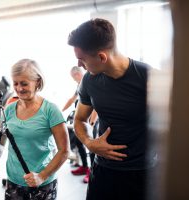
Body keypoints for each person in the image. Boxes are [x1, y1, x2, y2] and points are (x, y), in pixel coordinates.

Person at [67, 18, 157, 200]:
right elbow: (79, 120)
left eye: (82, 59)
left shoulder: (148, 77)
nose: (78, 65)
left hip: (143, 173)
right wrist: (89, 142)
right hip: (103, 171)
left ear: (102, 57)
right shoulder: (89, 81)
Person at [0, 58, 70, 200]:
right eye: (15, 83)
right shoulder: (10, 109)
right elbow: (0, 141)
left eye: (24, 83)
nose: (19, 88)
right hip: (14, 180)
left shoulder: (51, 110)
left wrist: (42, 176)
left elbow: (64, 151)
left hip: (42, 183)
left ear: (37, 82)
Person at [62, 66, 90, 183]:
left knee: (90, 147)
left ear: (77, 74)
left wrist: (91, 122)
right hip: (80, 119)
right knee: (79, 142)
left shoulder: (88, 82)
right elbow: (72, 99)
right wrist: (61, 111)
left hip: (88, 121)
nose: (74, 79)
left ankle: (90, 172)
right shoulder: (79, 85)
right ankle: (84, 166)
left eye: (74, 77)